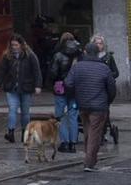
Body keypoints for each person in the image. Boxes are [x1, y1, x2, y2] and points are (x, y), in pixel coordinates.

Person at [63, 39, 118, 171]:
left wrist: (75, 96)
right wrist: (107, 101)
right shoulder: (104, 68)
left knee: (88, 131)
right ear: (98, 53)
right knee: (95, 134)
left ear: (85, 52)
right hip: (99, 106)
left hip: (83, 104)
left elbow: (68, 83)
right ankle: (89, 162)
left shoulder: (77, 67)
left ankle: (88, 158)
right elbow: (112, 89)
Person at [0, 36, 42, 143]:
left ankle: (25, 133)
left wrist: (38, 85)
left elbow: (36, 71)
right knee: (12, 109)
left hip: (26, 87)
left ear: (21, 45)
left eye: (16, 45)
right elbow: (1, 72)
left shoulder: (30, 56)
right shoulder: (7, 56)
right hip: (12, 88)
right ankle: (10, 132)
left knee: (25, 112)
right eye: (12, 45)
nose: (14, 47)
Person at [49, 31, 84, 154]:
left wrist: (52, 83)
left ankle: (64, 143)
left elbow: (53, 73)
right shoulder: (79, 56)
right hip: (75, 89)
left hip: (60, 88)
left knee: (60, 117)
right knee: (73, 116)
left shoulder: (58, 55)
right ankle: (73, 144)